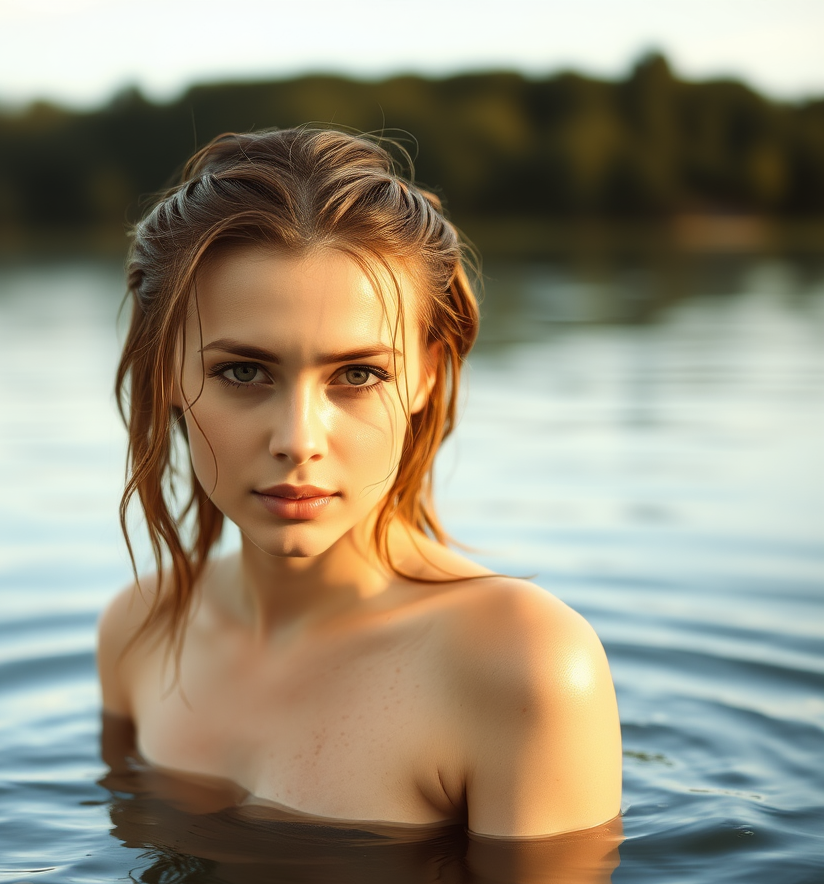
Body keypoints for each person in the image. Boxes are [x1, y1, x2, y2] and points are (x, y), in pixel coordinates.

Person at [98, 127, 621, 838]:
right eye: (243, 371)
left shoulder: (522, 666)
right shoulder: (137, 630)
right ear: (166, 374)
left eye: (357, 374)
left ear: (426, 373)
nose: (297, 440)